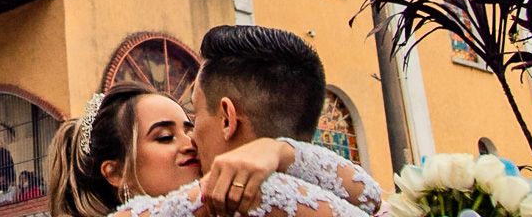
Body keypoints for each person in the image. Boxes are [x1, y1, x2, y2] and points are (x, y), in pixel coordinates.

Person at [48, 28, 380, 217]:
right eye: (164, 136)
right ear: (114, 172)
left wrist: (278, 151)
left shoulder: (252, 192)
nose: (189, 141)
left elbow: (372, 197)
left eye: (191, 123)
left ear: (227, 119)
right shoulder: (248, 195)